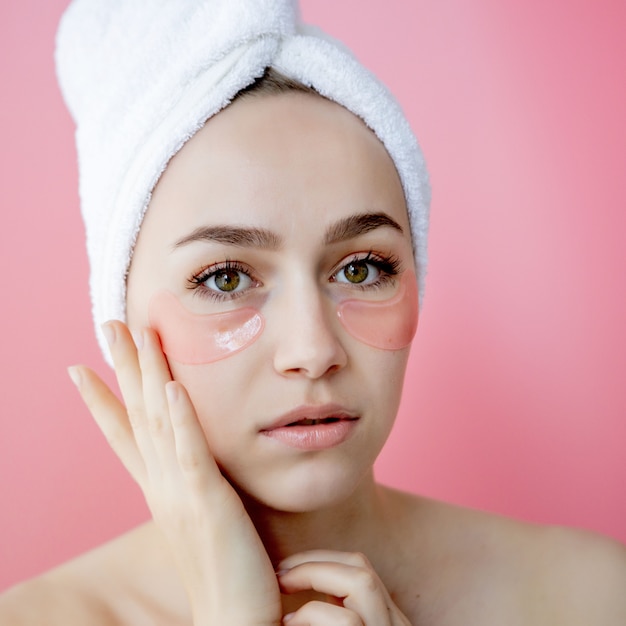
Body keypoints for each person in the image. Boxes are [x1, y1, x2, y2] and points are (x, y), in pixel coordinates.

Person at [1, 1, 625, 624]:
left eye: (362, 268)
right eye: (225, 278)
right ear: (119, 320)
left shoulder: (591, 596)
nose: (313, 350)